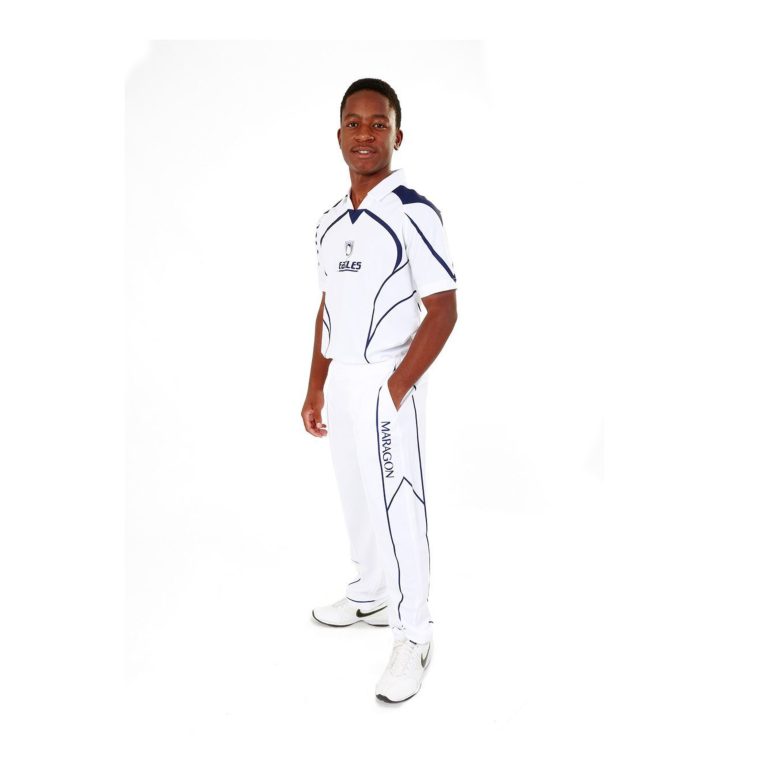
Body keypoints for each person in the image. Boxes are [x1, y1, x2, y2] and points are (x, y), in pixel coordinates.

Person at [301, 77, 458, 703]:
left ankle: (413, 634)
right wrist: (316, 384)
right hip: (342, 379)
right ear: (339, 134)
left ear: (397, 134)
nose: (365, 134)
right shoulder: (328, 220)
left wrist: (395, 387)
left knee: (398, 502)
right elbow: (327, 307)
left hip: (388, 380)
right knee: (356, 494)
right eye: (354, 122)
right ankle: (369, 592)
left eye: (378, 123)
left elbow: (443, 308)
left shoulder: (413, 210)